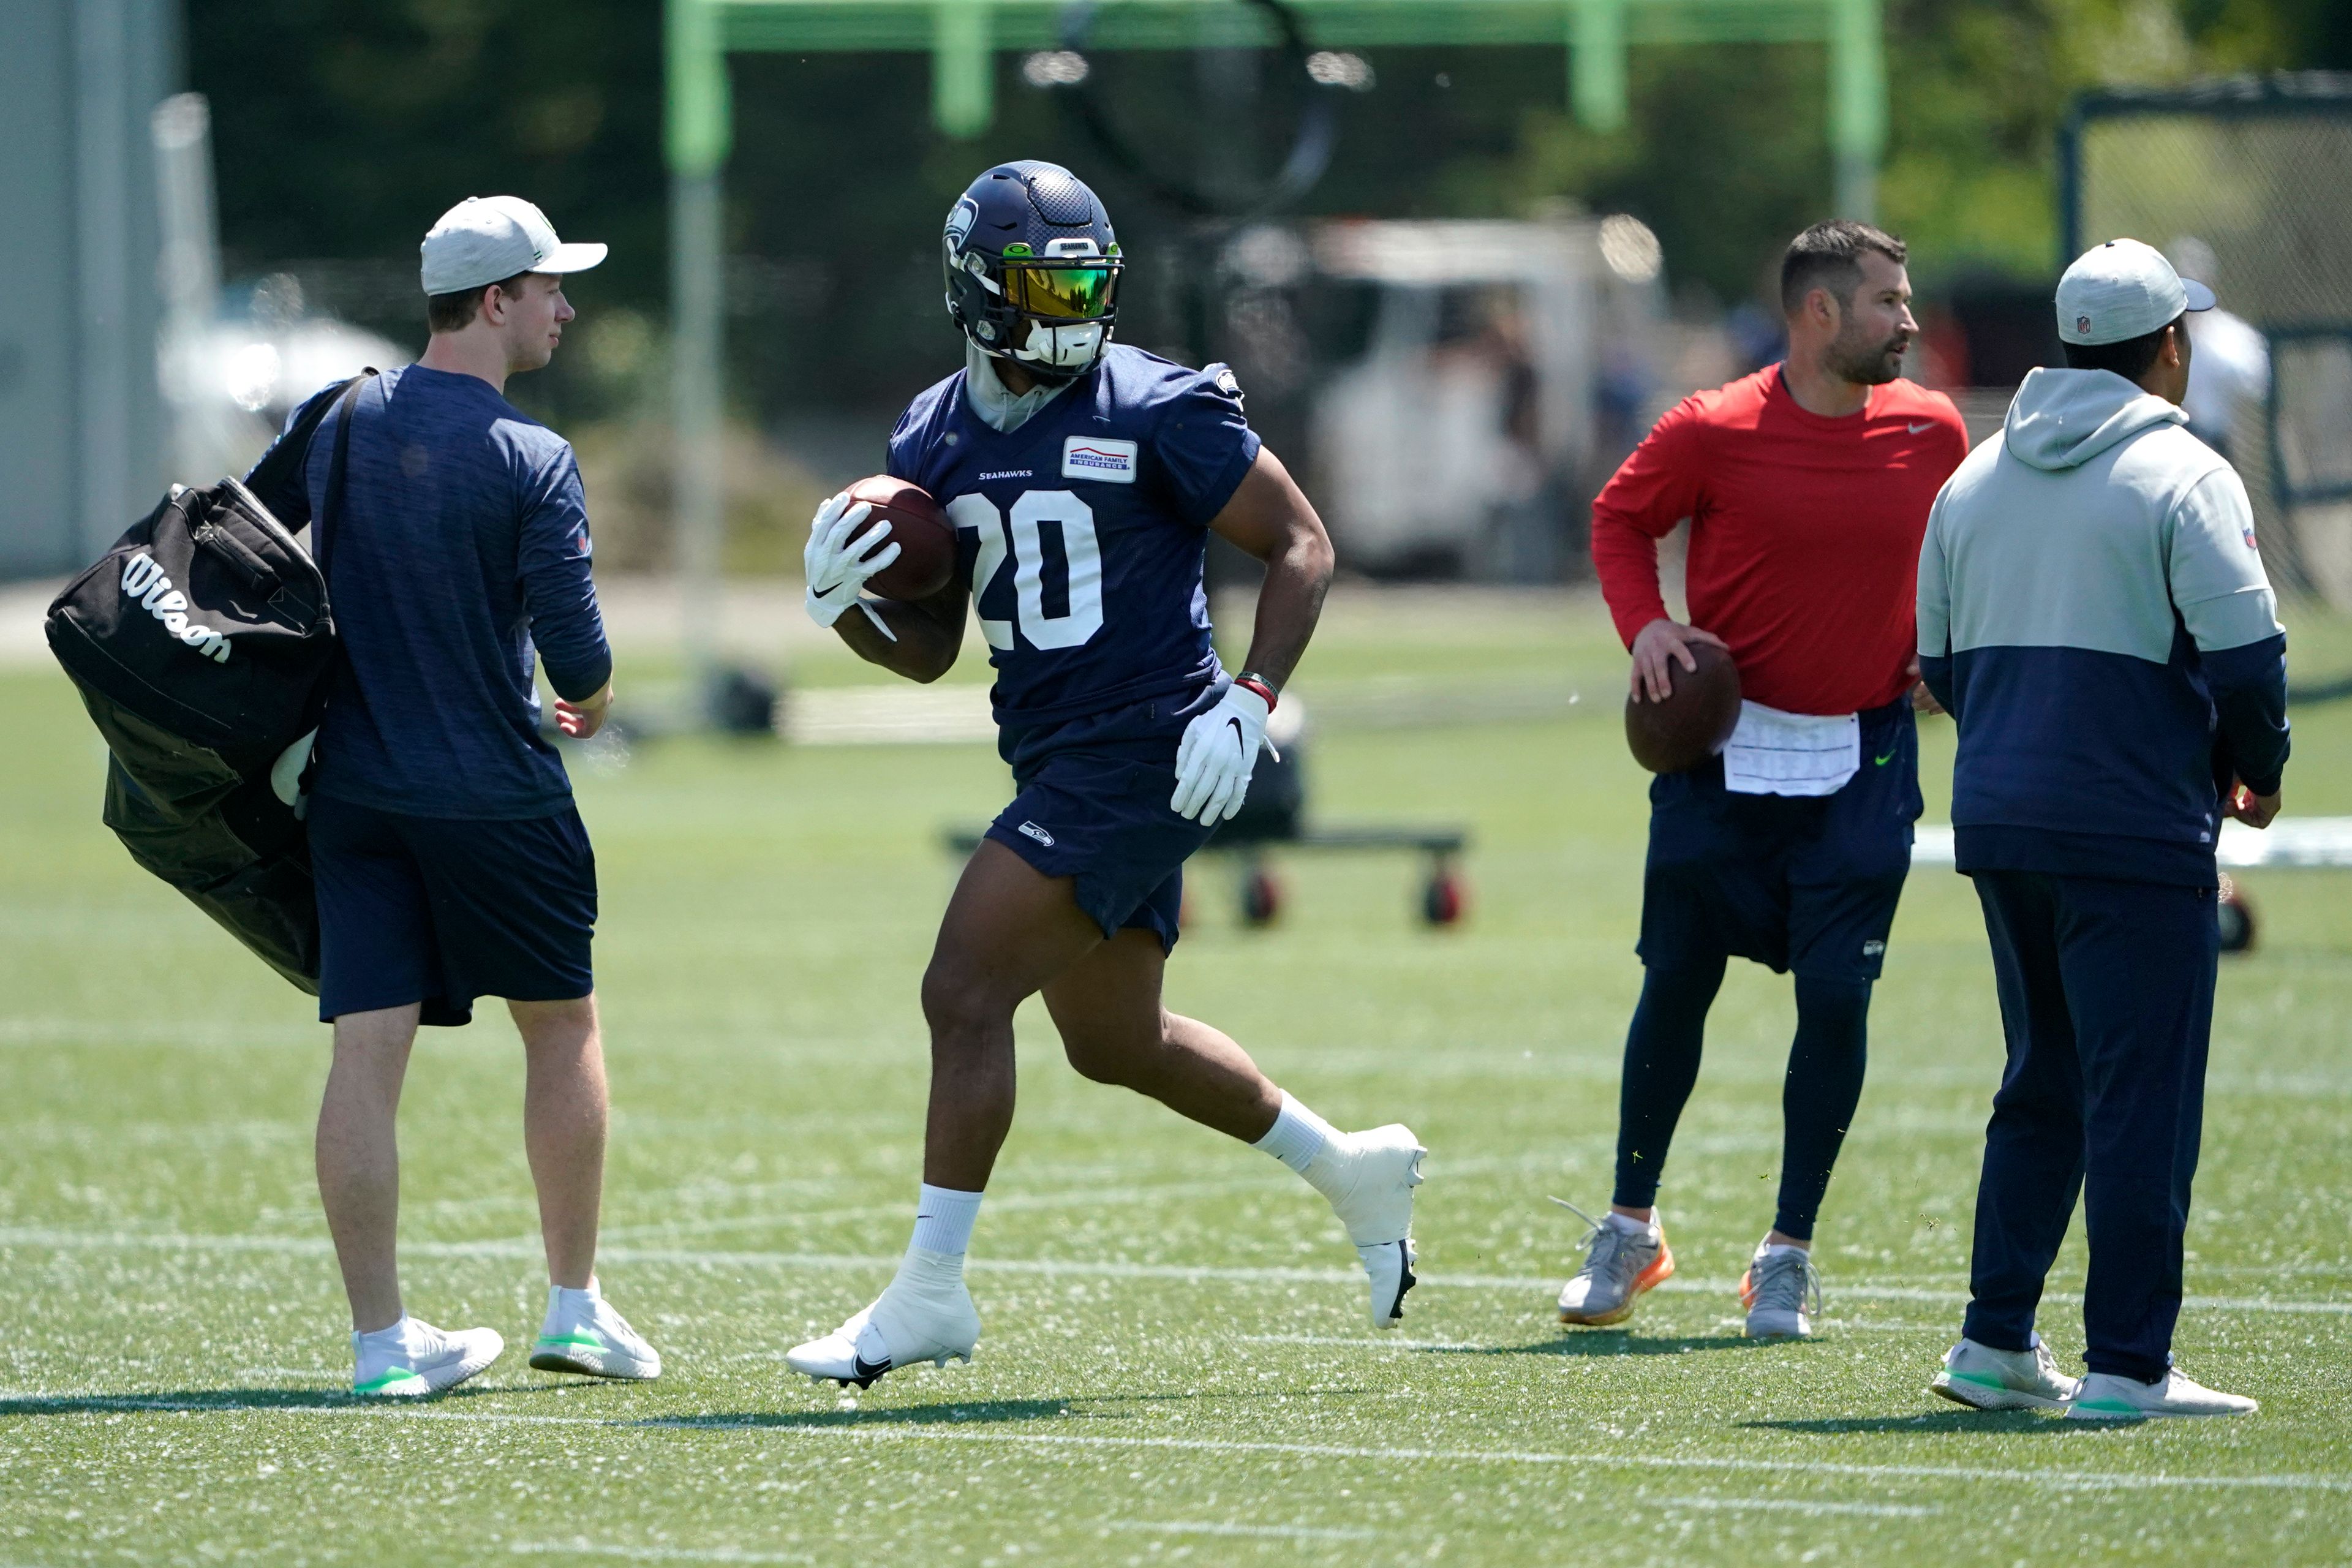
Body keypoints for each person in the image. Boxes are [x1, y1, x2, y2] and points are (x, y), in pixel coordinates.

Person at [782, 161, 1425, 1389]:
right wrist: (844, 608)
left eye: (1086, 282)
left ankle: (927, 1292)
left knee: (962, 990)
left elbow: (1302, 543)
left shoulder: (1159, 407)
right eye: (1043, 285)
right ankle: (1350, 1164)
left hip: (1151, 746)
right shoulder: (930, 431)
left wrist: (1250, 701)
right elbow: (928, 652)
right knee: (1115, 1039)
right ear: (978, 291)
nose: (1070, 310)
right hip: (1055, 748)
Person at [248, 195, 660, 1398]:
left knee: (365, 1055)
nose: (565, 309)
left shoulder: (336, 416)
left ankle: (384, 1342)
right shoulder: (533, 455)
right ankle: (574, 1308)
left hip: (356, 795)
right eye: (549, 290)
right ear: (495, 302)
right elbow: (578, 660)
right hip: (496, 795)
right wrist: (596, 696)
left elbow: (246, 539)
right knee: (563, 1027)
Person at [1562, 221, 1969, 1339]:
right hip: (1721, 763)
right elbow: (1618, 519)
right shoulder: (1714, 427)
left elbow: (1966, 550)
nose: (1909, 320)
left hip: (1867, 761)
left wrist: (1949, 648)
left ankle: (1785, 1251)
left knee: (1837, 1001)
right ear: (1819, 312)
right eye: (1888, 301)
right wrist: (1647, 629)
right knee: (1677, 985)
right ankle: (1631, 1228)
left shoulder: (1933, 431)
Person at [1918, 239, 2286, 1419]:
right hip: (2131, 824)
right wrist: (2253, 769)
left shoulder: (1972, 478)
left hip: (2001, 819)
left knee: (2045, 1081)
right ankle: (2129, 1363)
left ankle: (1994, 1344)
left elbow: (1939, 662)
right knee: (2141, 1096)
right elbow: (2248, 659)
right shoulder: (2189, 472)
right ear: (2169, 345)